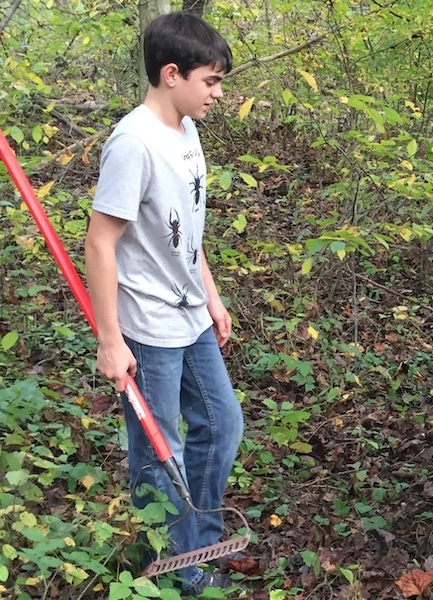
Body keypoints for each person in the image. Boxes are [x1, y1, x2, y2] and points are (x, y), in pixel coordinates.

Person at [83, 11, 243, 596]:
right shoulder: (133, 144)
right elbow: (101, 242)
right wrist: (110, 338)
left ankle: (195, 540)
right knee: (160, 450)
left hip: (189, 312)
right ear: (171, 74)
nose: (218, 94)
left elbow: (187, 229)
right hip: (146, 325)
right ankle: (173, 562)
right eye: (211, 81)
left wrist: (213, 296)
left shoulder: (186, 129)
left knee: (223, 425)